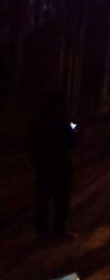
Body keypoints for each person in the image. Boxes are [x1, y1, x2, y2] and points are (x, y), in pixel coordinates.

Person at [28, 88, 77, 241]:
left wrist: (35, 160)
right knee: (60, 198)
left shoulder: (37, 121)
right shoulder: (63, 120)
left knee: (42, 197)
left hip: (43, 164)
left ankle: (41, 230)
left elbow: (30, 143)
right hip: (61, 164)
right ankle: (59, 229)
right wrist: (74, 126)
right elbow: (72, 141)